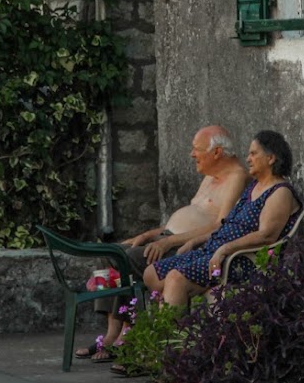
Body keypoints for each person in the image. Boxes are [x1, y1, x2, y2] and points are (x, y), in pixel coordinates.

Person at [74, 124, 246, 361]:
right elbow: (188, 214)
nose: (191, 154)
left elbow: (220, 225)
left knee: (127, 260)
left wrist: (168, 242)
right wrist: (148, 235)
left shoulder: (236, 177)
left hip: (186, 247)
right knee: (112, 253)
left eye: (197, 149)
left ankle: (127, 335)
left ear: (216, 152)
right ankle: (111, 335)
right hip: (167, 239)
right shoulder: (209, 177)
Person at [144, 129, 302, 308]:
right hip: (213, 249)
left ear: (271, 158)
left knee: (175, 278)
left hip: (238, 259)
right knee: (151, 274)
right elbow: (227, 225)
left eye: (253, 154)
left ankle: (170, 333)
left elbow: (266, 236)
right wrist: (194, 241)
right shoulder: (254, 188)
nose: (248, 159)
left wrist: (225, 249)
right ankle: (185, 300)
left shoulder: (279, 192)